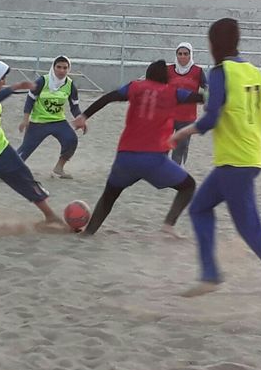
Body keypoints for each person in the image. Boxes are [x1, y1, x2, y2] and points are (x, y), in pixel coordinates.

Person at [169, 18, 261, 314]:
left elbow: (211, 118)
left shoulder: (220, 72)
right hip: (248, 157)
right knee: (200, 208)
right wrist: (253, 125)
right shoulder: (252, 70)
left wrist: (182, 132)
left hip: (235, 162)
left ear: (215, 43)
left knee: (250, 229)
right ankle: (210, 274)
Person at [72, 60, 203, 237]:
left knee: (109, 196)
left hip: (125, 157)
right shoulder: (172, 92)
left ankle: (88, 232)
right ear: (165, 77)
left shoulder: (135, 87)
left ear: (148, 74)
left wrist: (84, 116)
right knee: (188, 186)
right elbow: (199, 98)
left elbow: (109, 97)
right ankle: (168, 224)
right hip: (154, 160)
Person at [0, 58, 64, 229]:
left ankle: (50, 216)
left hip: (1, 148)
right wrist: (14, 88)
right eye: (1, 78)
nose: (4, 82)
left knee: (26, 179)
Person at [17, 56, 83, 179]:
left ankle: (59, 168)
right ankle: (6, 170)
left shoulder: (70, 85)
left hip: (58, 121)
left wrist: (80, 118)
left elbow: (74, 106)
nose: (62, 70)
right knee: (25, 149)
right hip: (38, 122)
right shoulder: (42, 81)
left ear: (69, 69)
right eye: (59, 67)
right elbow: (30, 100)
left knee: (71, 140)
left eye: (65, 68)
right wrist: (25, 119)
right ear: (53, 67)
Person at [168, 42, 207, 165]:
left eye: (186, 54)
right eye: (180, 54)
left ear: (191, 55)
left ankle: (177, 172)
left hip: (187, 117)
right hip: (167, 115)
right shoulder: (167, 70)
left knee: (181, 147)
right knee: (163, 145)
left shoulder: (198, 71)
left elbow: (208, 88)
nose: (183, 57)